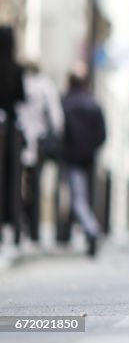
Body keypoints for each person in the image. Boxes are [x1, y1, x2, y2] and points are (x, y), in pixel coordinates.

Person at [17, 61, 65, 242]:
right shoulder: (46, 86)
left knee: (16, 184)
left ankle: (18, 223)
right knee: (34, 184)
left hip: (17, 139)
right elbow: (57, 119)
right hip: (39, 141)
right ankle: (33, 229)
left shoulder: (18, 82)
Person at [61, 69, 106, 257]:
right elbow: (102, 135)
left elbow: (58, 127)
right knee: (84, 196)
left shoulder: (66, 103)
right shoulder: (93, 104)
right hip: (89, 157)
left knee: (77, 197)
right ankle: (69, 234)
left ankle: (91, 229)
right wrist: (91, 147)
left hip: (72, 157)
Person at [0, 26, 25, 246]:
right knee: (9, 178)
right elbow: (21, 97)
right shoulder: (16, 69)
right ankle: (9, 225)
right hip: (10, 132)